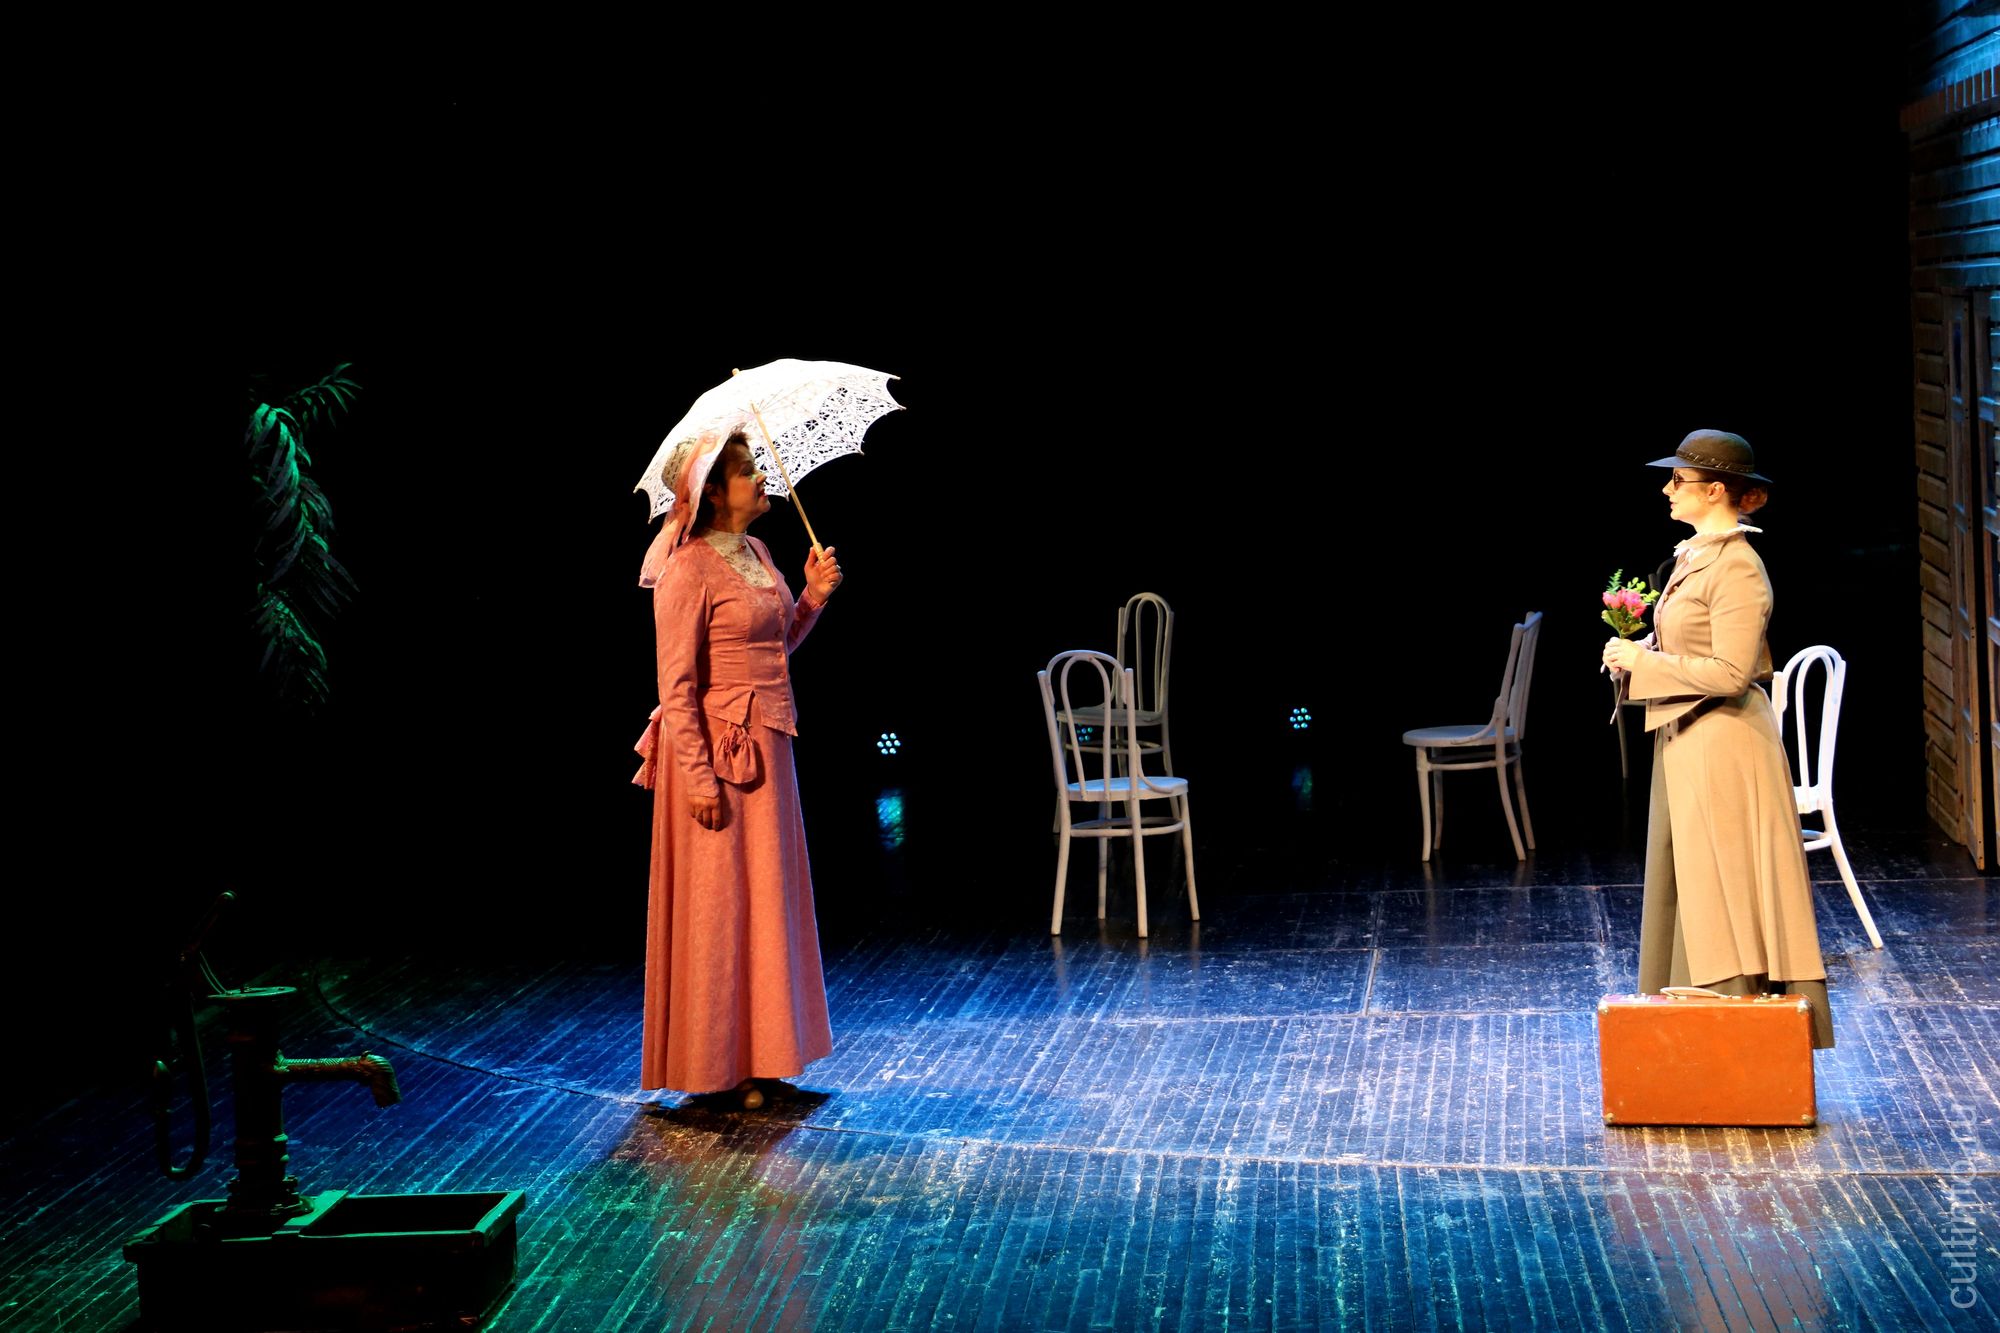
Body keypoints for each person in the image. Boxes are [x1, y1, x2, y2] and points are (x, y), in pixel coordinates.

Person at [631, 428, 845, 1107]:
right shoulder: (686, 569)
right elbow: (676, 687)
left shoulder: (758, 553)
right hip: (717, 758)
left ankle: (764, 1057)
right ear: (715, 493)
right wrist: (696, 780)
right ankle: (718, 1067)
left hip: (768, 748)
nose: (761, 479)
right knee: (720, 907)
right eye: (748, 470)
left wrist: (810, 598)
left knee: (765, 903)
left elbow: (771, 648)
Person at [1601, 429, 1834, 1048]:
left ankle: (1734, 1034)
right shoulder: (1695, 555)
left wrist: (1647, 663)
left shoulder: (1738, 566)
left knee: (1720, 890)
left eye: (1678, 479)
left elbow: (1733, 672)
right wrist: (1640, 653)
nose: (1667, 489)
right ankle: (1689, 1032)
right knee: (1691, 884)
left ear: (1715, 490)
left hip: (1726, 745)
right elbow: (1694, 644)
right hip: (1688, 738)